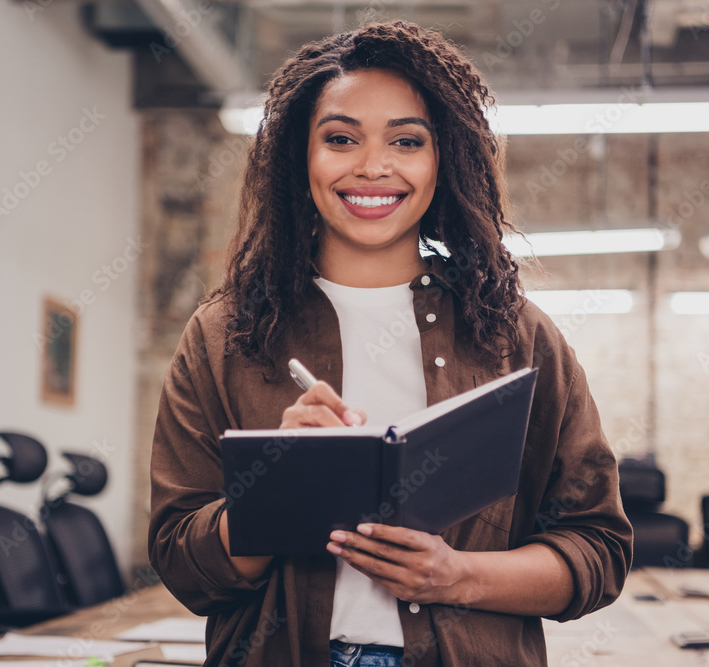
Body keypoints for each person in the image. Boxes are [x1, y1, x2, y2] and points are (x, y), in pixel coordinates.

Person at [148, 20, 632, 667]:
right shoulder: (222, 336)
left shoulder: (519, 336)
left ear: (443, 158)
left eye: (407, 140)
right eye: (341, 138)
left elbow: (597, 546)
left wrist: (459, 575)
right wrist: (278, 490)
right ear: (302, 156)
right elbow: (181, 562)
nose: (373, 166)